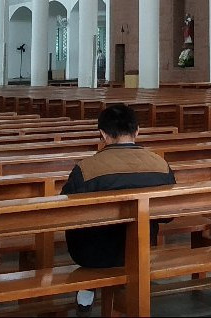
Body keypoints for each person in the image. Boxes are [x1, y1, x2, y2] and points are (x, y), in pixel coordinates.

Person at [62, 104, 176, 309]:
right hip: (141, 248)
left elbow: (66, 214)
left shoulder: (86, 169)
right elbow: (168, 215)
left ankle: (88, 288)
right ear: (137, 131)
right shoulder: (160, 165)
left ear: (103, 134)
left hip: (92, 255)